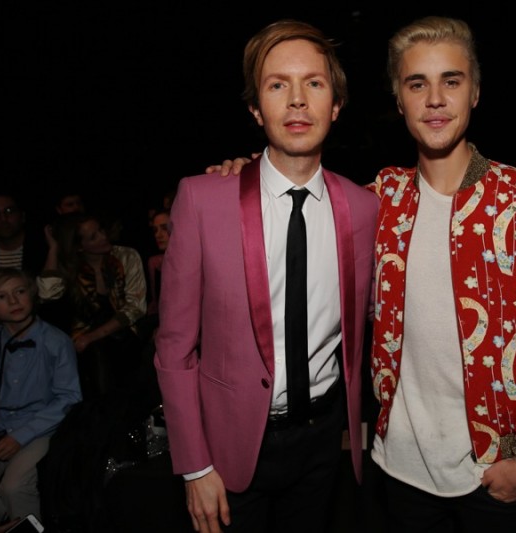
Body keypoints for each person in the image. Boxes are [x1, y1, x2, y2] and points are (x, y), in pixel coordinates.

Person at [213, 15, 516, 532]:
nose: (435, 99)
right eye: (418, 84)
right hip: (397, 474)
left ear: (475, 92)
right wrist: (245, 174)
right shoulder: (377, 203)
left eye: (451, 81)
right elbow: (297, 191)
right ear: (399, 100)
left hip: (493, 475)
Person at [154, 19, 378, 533]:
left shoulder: (366, 209)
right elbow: (174, 347)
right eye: (278, 85)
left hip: (324, 441)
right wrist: (194, 464)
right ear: (256, 108)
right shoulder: (202, 200)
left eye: (314, 84)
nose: (297, 100)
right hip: (230, 444)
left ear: (336, 105)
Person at [0, 267, 82, 530]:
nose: (13, 301)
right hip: (0, 425)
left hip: (40, 428)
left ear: (32, 294)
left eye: (19, 292)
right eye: (0, 296)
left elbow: (69, 397)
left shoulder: (55, 341)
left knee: (14, 487)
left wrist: (20, 436)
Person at [37, 212, 147, 399]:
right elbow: (47, 294)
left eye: (101, 230)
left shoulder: (126, 256)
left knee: (105, 354)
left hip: (123, 333)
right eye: (93, 236)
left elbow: (135, 307)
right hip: (84, 344)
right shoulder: (70, 266)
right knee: (94, 359)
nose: (104, 237)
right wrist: (53, 249)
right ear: (79, 246)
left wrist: (91, 337)